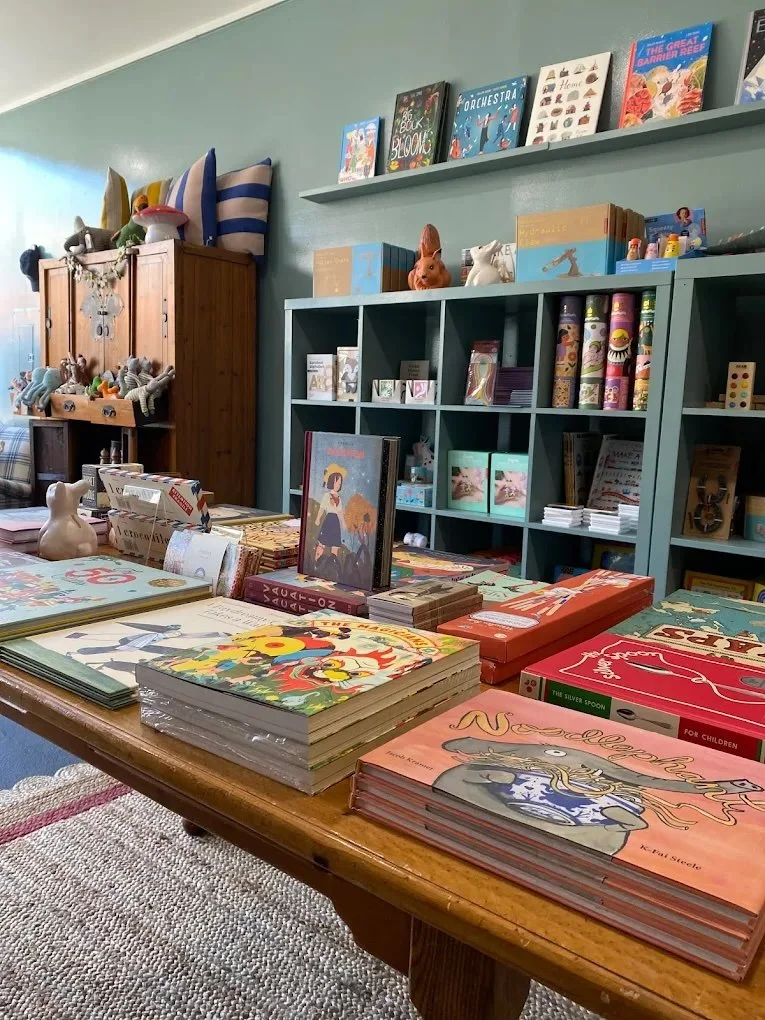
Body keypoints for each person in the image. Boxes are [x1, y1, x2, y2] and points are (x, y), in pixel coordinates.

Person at [315, 464, 346, 559]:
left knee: (335, 545)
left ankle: (333, 563)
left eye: (340, 483)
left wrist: (343, 523)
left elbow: (340, 512)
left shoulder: (339, 498)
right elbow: (322, 508)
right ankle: (317, 560)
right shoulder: (326, 496)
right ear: (332, 482)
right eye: (336, 482)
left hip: (335, 523)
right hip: (328, 521)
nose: (338, 485)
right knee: (322, 543)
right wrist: (317, 519)